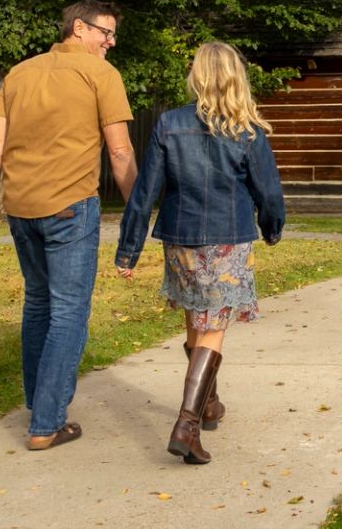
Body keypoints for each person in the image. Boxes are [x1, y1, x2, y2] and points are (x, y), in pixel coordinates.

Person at [0, 0, 136, 451]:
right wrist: (137, 209)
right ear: (79, 28)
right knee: (68, 311)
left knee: (39, 303)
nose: (111, 42)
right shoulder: (102, 76)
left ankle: (37, 402)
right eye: (106, 33)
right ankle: (47, 422)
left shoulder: (19, 74)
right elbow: (119, 153)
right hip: (69, 208)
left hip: (20, 211)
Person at [114, 40, 285, 465]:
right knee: (212, 327)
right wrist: (272, 228)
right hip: (227, 239)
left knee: (197, 317)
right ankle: (187, 424)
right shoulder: (246, 130)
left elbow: (145, 191)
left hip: (181, 236)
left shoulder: (169, 124)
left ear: (198, 76)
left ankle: (209, 403)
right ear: (235, 77)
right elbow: (269, 193)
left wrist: (128, 250)